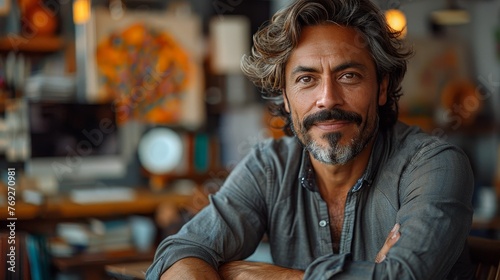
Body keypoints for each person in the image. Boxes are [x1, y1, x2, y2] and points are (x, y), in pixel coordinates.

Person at [146, 0, 475, 278]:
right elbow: (182, 251)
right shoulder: (270, 166)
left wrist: (282, 277)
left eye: (349, 76)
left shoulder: (434, 164)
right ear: (285, 99)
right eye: (307, 79)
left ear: (382, 88)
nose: (328, 99)